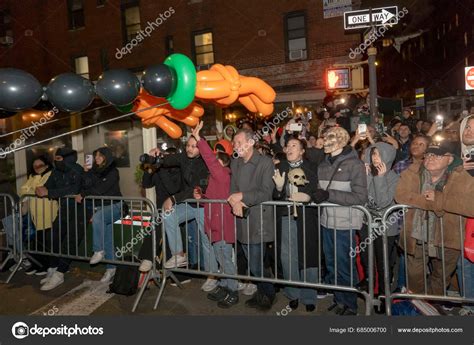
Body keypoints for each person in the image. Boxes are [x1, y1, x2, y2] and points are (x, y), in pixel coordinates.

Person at [395, 141, 468, 295]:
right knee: (414, 276)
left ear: (449, 159)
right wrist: (432, 203)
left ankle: (433, 306)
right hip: (416, 234)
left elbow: (469, 205)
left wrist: (439, 199)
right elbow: (401, 195)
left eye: (437, 155)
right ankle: (419, 306)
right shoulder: (413, 171)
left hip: (448, 237)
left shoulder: (462, 175)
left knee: (440, 277)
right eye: (428, 154)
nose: (430, 158)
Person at [314, 126, 368, 315]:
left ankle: (350, 304)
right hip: (327, 221)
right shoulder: (323, 165)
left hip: (345, 223)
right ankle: (339, 299)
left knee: (344, 264)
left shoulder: (354, 164)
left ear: (340, 140)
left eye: (329, 138)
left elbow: (360, 197)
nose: (324, 142)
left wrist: (329, 194)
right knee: (331, 264)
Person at [154, 136, 219, 292]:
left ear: (202, 148)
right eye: (188, 145)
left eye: (193, 146)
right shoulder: (184, 156)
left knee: (206, 241)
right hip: (189, 204)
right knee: (168, 215)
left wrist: (173, 198)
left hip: (204, 206)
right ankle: (178, 254)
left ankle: (212, 276)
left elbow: (196, 188)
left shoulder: (206, 163)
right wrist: (158, 156)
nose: (189, 148)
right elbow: (170, 160)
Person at [191, 121, 238, 308]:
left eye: (215, 162)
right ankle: (225, 286)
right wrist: (201, 197)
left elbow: (210, 159)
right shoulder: (216, 178)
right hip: (215, 225)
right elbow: (212, 198)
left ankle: (233, 290)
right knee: (220, 257)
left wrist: (200, 140)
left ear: (222, 163)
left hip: (223, 225)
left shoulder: (223, 174)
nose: (211, 165)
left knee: (226, 258)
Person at [228, 128, 276, 311]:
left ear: (250, 143)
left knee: (256, 265)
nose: (235, 146)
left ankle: (268, 294)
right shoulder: (235, 163)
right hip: (241, 219)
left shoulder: (265, 163)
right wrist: (235, 202)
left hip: (259, 220)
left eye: (239, 142)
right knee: (251, 262)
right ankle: (262, 292)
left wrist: (242, 197)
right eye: (234, 143)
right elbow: (232, 190)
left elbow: (266, 192)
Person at [273, 138, 320, 312]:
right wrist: (278, 189)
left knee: (308, 255)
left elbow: (315, 189)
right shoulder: (280, 167)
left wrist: (307, 197)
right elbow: (273, 195)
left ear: (302, 151)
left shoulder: (312, 167)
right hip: (286, 216)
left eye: (294, 145)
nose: (289, 148)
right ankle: (292, 294)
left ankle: (309, 297)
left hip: (306, 217)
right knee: (287, 257)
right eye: (288, 145)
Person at [35, 147, 85, 291]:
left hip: (79, 211)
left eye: (59, 159)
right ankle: (53, 268)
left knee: (70, 242)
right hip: (62, 210)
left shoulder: (77, 170)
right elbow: (47, 187)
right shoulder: (56, 171)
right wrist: (41, 189)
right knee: (54, 237)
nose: (56, 162)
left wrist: (49, 192)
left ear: (67, 159)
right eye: (55, 159)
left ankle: (60, 273)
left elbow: (74, 190)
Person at [359, 142, 399, 311]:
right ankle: (371, 295)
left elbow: (382, 203)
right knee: (368, 263)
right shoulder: (368, 174)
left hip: (385, 230)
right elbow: (363, 199)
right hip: (367, 226)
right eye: (373, 154)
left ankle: (384, 298)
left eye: (379, 154)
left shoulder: (394, 177)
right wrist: (368, 177)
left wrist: (379, 178)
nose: (375, 158)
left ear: (387, 156)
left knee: (384, 266)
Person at [76, 147, 124, 283]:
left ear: (106, 157)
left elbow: (100, 190)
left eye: (100, 155)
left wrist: (84, 194)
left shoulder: (113, 171)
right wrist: (85, 173)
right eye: (95, 155)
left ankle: (98, 250)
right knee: (108, 238)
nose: (97, 158)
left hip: (115, 206)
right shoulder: (93, 172)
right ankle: (111, 268)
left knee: (98, 218)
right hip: (100, 207)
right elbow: (85, 186)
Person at [138, 147, 181, 272]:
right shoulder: (159, 169)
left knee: (166, 238)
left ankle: (154, 262)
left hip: (175, 208)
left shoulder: (178, 171)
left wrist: (161, 168)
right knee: (155, 228)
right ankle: (149, 258)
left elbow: (172, 189)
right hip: (159, 208)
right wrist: (150, 167)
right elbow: (146, 184)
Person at [20, 156, 58, 276]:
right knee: (38, 242)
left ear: (46, 165)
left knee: (47, 242)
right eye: (34, 166)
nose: (37, 168)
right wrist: (32, 189)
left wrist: (31, 189)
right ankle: (38, 264)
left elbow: (41, 190)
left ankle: (48, 266)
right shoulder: (32, 177)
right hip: (35, 215)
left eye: (40, 165)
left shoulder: (51, 174)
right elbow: (22, 190)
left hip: (49, 214)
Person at [456, 115, 474, 315]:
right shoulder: (463, 155)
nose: (468, 131)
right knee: (465, 262)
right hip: (467, 224)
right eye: (466, 127)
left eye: (472, 128)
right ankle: (468, 307)